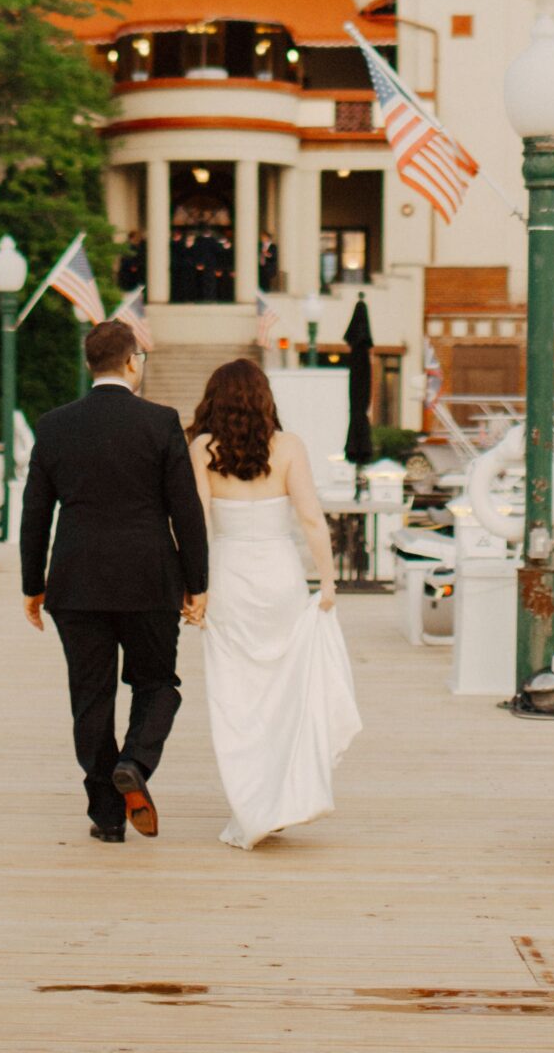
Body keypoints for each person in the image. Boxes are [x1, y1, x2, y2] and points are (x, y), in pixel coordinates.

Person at [20, 317, 209, 844]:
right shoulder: (160, 422)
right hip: (150, 578)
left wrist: (32, 583)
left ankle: (106, 814)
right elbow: (185, 510)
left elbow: (34, 512)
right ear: (131, 362)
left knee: (91, 696)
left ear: (89, 365)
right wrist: (198, 582)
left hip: (75, 582)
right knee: (157, 683)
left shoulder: (55, 426)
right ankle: (135, 763)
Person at [187, 358, 361, 850]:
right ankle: (282, 796)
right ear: (265, 398)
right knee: (285, 691)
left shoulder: (202, 448)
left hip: (229, 580)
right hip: (280, 579)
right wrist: (327, 582)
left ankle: (250, 802)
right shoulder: (289, 448)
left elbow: (197, 524)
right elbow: (309, 519)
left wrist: (194, 588)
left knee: (236, 698)